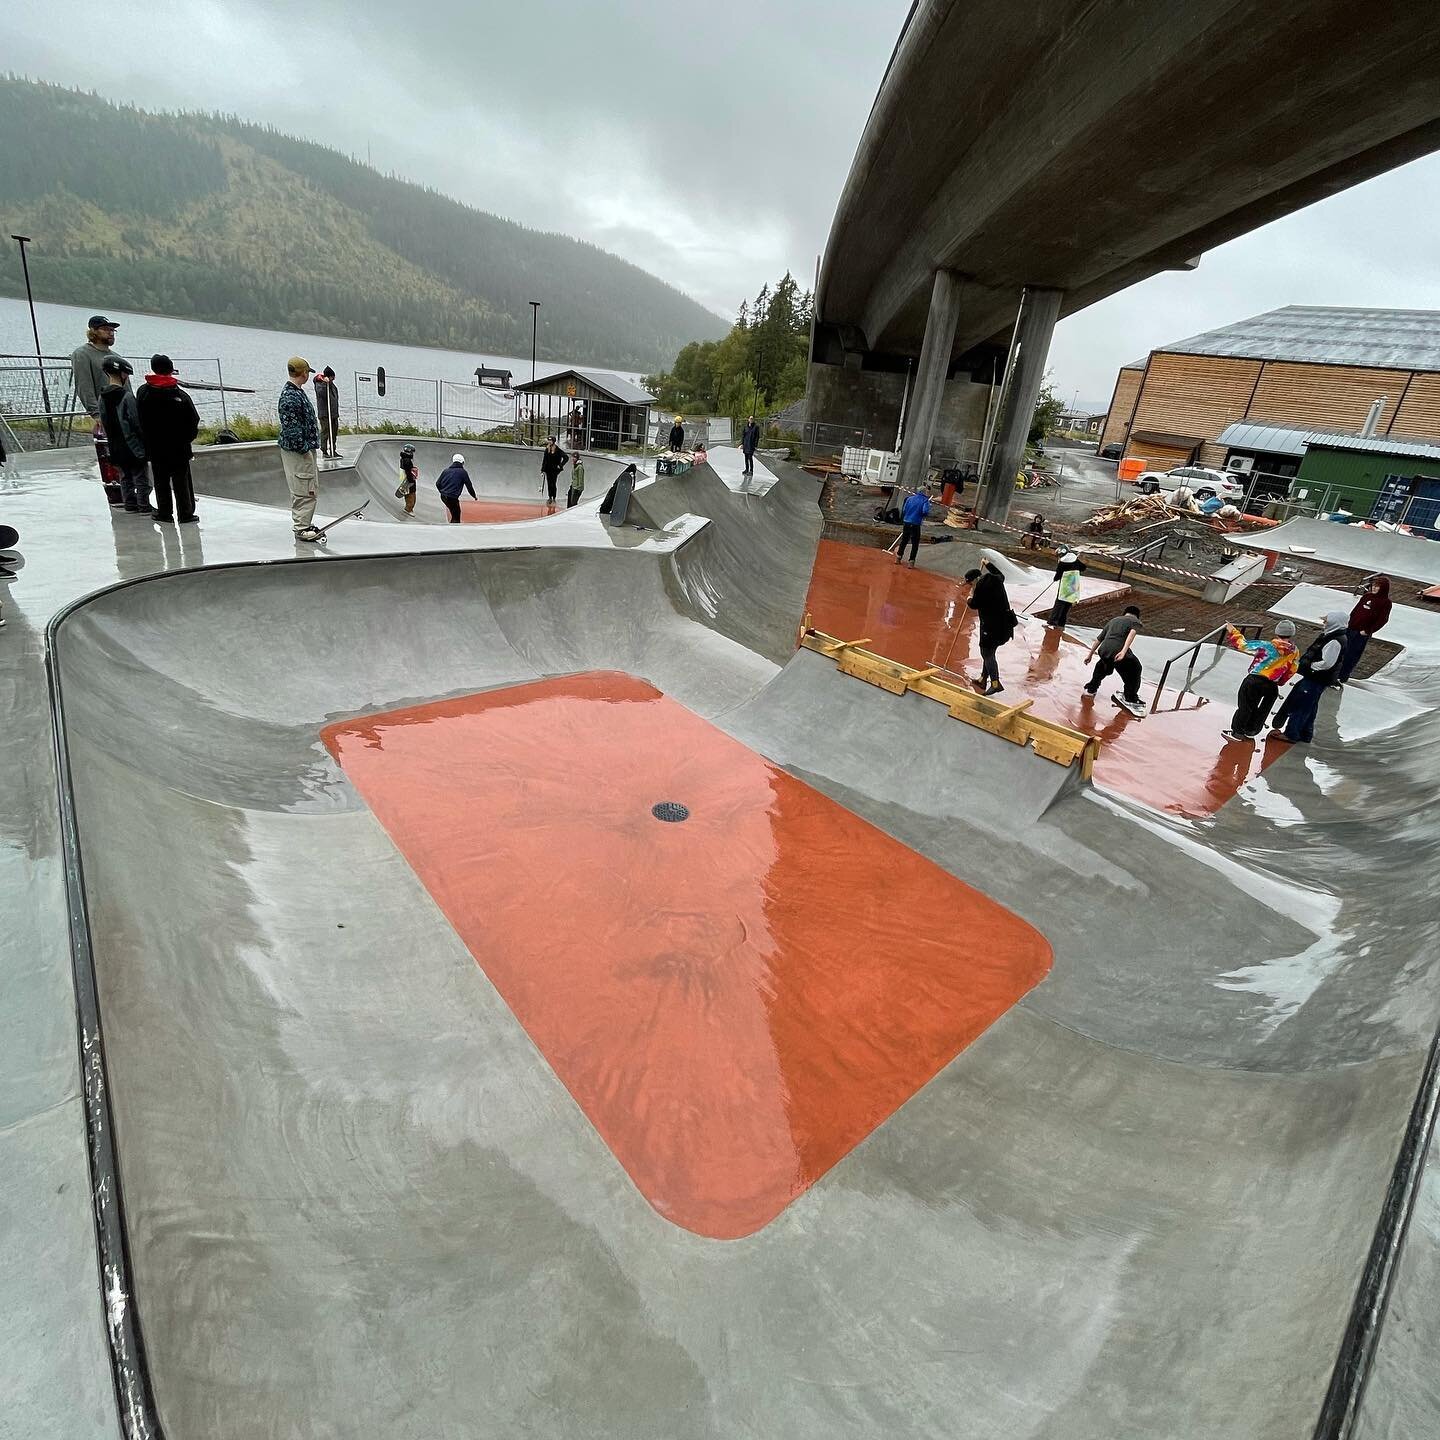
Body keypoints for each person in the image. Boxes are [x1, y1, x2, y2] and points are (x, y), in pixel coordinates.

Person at [135, 354, 201, 524]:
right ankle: (185, 513)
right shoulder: (180, 395)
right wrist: (187, 439)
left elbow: (139, 419)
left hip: (155, 447)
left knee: (160, 480)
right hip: (179, 447)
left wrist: (146, 439)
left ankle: (165, 512)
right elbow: (193, 420)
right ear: (171, 370)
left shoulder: (143, 392)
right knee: (181, 481)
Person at [71, 314, 129, 506]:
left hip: (124, 416)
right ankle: (115, 496)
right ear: (93, 332)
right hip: (105, 416)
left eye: (112, 330)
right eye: (105, 329)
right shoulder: (82, 354)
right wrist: (96, 414)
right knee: (108, 459)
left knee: (127, 459)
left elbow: (126, 388)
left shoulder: (116, 357)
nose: (111, 332)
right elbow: (84, 386)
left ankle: (131, 495)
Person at [1270, 612, 1348, 744]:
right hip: (1316, 678)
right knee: (1310, 706)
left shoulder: (1334, 640)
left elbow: (1327, 663)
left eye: (1326, 622)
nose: (1324, 624)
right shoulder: (1332, 636)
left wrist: (1310, 666)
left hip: (1316, 677)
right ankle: (1306, 733)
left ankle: (1291, 734)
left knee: (1301, 704)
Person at [1220, 620, 1298, 743]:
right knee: (1263, 709)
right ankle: (1251, 731)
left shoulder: (1266, 646)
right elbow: (1292, 669)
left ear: (1277, 632)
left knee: (1246, 706)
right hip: (1272, 685)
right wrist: (1281, 681)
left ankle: (1237, 732)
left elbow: (1242, 644)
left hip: (1255, 680)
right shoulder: (1294, 651)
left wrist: (1232, 630)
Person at [277, 357, 323, 541]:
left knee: (309, 486)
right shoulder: (290, 397)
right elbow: (291, 428)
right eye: (307, 372)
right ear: (303, 373)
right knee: (303, 487)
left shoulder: (297, 392)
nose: (307, 376)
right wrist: (303, 448)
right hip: (298, 451)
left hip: (305, 449)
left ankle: (305, 522)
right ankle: (301, 527)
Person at [99, 358, 151, 514]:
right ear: (123, 375)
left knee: (125, 477)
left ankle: (129, 504)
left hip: (115, 446)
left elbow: (103, 420)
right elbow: (137, 422)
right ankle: (144, 506)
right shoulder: (126, 397)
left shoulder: (102, 397)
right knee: (141, 478)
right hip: (133, 445)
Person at [965, 560, 1016, 695]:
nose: (970, 586)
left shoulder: (981, 588)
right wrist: (988, 564)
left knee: (986, 653)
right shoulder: (996, 579)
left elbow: (974, 604)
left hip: (992, 627)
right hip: (1005, 624)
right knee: (990, 651)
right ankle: (983, 678)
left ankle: (995, 682)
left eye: (970, 583)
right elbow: (1000, 574)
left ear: (975, 580)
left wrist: (969, 598)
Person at [1083, 604, 1145, 715]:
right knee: (1135, 669)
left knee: (1102, 666)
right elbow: (1132, 633)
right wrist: (1123, 651)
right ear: (1136, 615)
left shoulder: (1113, 620)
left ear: (1124, 613)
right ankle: (1130, 697)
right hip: (1118, 651)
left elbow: (1099, 639)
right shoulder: (1134, 620)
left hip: (1104, 650)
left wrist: (1090, 654)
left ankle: (1090, 689)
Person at [1338, 574, 1392, 682]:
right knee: (1342, 651)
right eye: (1373, 586)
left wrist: (1368, 631)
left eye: (1377, 586)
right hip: (1351, 628)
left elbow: (1383, 620)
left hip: (1361, 633)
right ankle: (1335, 673)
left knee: (1352, 655)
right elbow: (1356, 610)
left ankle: (1343, 676)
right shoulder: (1367, 596)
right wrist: (1348, 622)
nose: (1374, 588)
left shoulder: (1386, 603)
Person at [1048, 550, 1085, 629]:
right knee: (1067, 604)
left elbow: (1058, 574)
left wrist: (1055, 579)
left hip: (1065, 586)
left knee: (1059, 603)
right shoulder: (1075, 559)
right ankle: (1061, 623)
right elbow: (1083, 568)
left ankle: (1053, 621)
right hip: (1074, 585)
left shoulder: (1063, 562)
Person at [895, 487, 931, 567]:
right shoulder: (925, 500)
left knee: (904, 540)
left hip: (907, 521)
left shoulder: (909, 499)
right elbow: (925, 511)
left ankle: (898, 557)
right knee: (915, 543)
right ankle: (911, 561)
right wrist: (923, 515)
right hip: (916, 523)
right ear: (924, 492)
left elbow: (904, 510)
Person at [436, 452, 476, 522]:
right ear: (462, 462)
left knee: (454, 513)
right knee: (456, 516)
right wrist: (474, 496)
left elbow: (437, 483)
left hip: (443, 496)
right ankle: (453, 530)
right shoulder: (463, 472)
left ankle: (452, 526)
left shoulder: (446, 471)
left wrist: (442, 492)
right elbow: (469, 486)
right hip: (452, 498)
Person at [313, 365, 340, 458]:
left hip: (333, 414)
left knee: (334, 433)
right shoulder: (320, 385)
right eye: (332, 377)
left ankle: (333, 449)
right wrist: (325, 384)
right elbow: (321, 394)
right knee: (325, 432)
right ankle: (324, 451)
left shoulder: (333, 386)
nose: (333, 379)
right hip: (325, 414)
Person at [539, 436, 569, 503]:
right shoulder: (547, 449)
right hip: (548, 469)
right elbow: (545, 460)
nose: (549, 442)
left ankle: (554, 497)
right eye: (549, 440)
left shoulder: (557, 450)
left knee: (553, 484)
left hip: (554, 470)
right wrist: (542, 470)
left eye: (550, 440)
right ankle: (550, 497)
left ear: (553, 441)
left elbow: (566, 457)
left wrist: (560, 465)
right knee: (549, 484)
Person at [395, 443, 418, 516]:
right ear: (410, 451)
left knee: (409, 494)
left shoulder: (404, 458)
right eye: (412, 452)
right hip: (407, 480)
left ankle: (409, 508)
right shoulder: (407, 460)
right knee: (411, 495)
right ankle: (408, 509)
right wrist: (411, 481)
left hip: (404, 478)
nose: (413, 454)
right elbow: (408, 471)